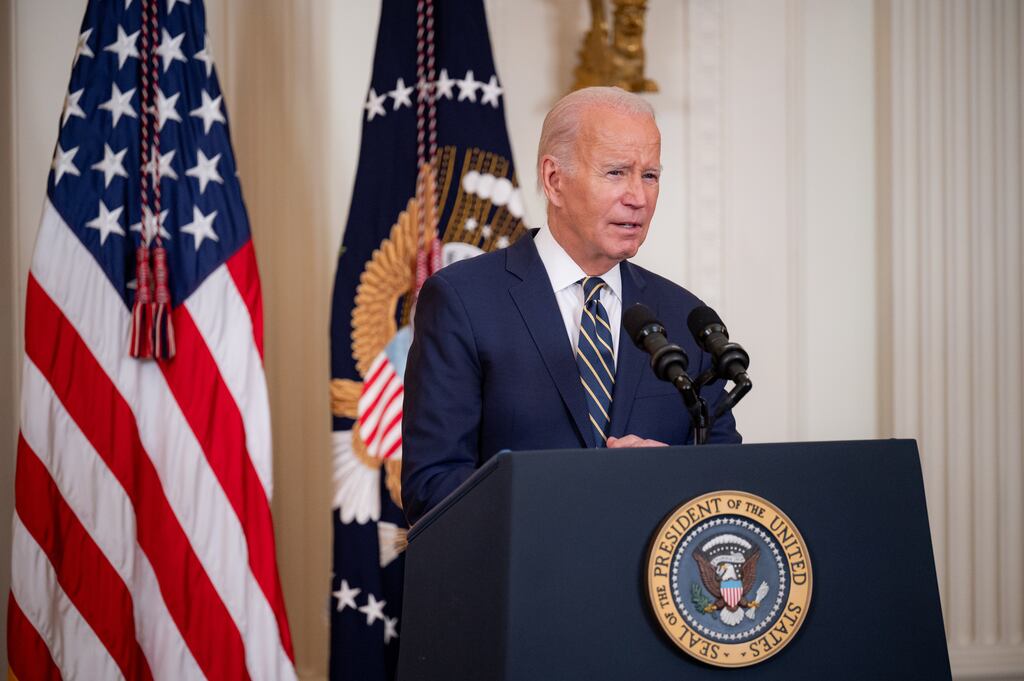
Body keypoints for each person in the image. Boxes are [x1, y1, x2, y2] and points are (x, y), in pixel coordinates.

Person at [401, 86, 740, 525]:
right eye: (617, 172)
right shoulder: (464, 300)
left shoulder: (684, 318)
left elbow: (732, 485)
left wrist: (673, 475)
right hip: (524, 585)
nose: (638, 196)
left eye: (650, 175)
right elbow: (432, 487)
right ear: (554, 180)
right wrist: (578, 494)